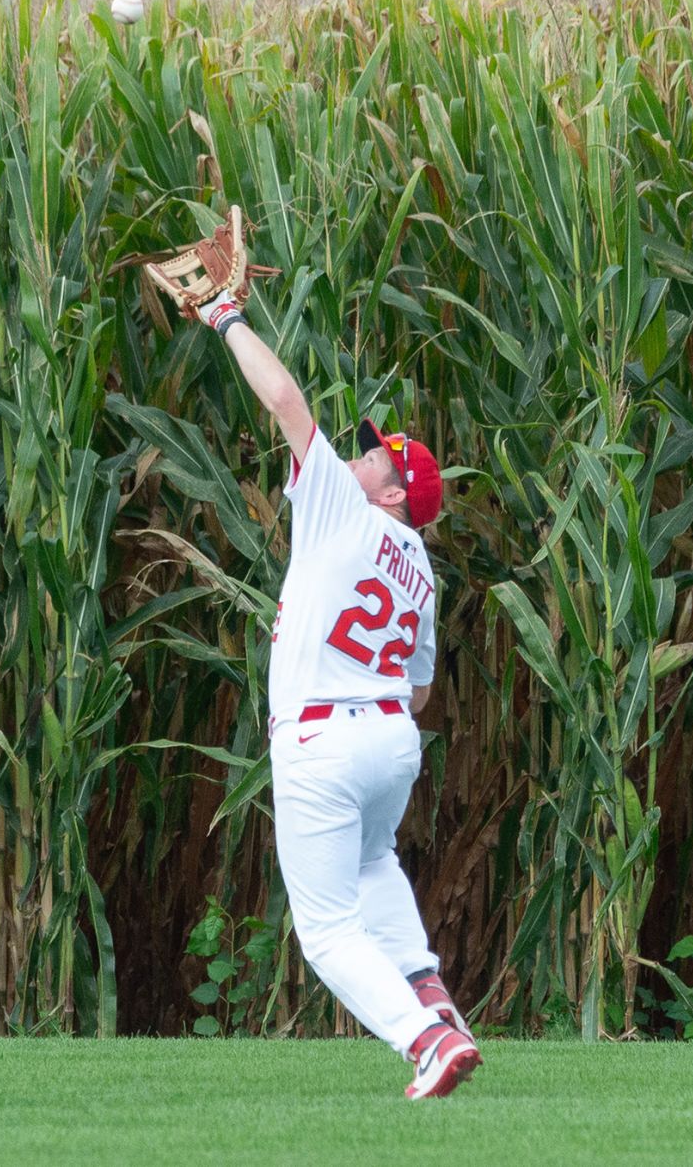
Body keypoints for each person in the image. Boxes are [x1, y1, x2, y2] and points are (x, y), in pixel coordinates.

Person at [194, 288, 478, 1099]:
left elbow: (284, 399)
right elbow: (421, 691)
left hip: (323, 738)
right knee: (371, 862)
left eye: (375, 460)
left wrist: (227, 319)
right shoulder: (419, 565)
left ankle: (426, 1041)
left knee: (324, 929)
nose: (357, 460)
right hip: (392, 737)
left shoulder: (335, 507)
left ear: (392, 495)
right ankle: (430, 992)